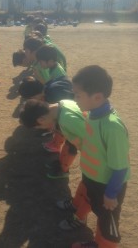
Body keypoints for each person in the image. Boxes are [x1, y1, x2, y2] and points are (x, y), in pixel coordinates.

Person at [66, 65, 130, 248]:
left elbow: (120, 167)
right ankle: (93, 237)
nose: (74, 99)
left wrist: (111, 194)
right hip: (93, 179)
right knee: (97, 210)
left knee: (107, 222)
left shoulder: (112, 127)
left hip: (108, 186)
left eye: (78, 95)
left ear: (97, 97)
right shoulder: (91, 114)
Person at [19, 99, 85, 178]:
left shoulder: (66, 120)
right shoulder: (63, 102)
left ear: (41, 120)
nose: (42, 128)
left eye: (40, 126)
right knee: (69, 143)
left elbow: (91, 139)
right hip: (83, 133)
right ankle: (62, 164)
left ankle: (63, 170)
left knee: (71, 147)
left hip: (95, 150)